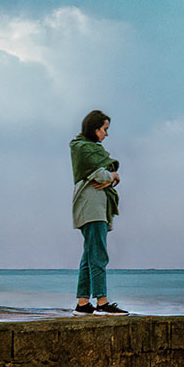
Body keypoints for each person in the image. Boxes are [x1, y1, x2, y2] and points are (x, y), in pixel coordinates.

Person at [70, 110, 126, 314]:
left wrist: (110, 176)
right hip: (91, 209)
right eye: (105, 129)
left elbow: (103, 175)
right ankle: (102, 302)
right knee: (98, 255)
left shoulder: (91, 149)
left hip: (95, 209)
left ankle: (83, 303)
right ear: (94, 129)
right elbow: (102, 175)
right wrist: (113, 176)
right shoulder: (83, 149)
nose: (106, 134)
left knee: (88, 256)